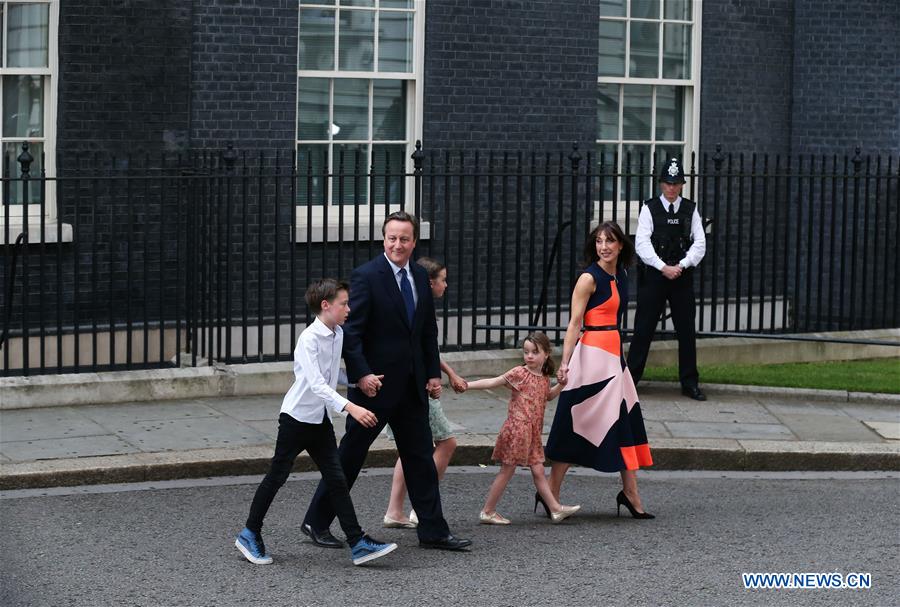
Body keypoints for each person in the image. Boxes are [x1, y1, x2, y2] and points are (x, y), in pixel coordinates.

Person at [301, 211, 472, 552]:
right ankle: (316, 521)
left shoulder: (421, 277)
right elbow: (353, 332)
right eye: (392, 238)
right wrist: (361, 374)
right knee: (350, 456)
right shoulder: (366, 277)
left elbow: (425, 330)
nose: (398, 244)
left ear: (413, 242)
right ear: (384, 240)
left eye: (404, 239)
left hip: (411, 387)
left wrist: (432, 373)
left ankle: (433, 530)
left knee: (420, 457)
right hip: (374, 386)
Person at [234, 279, 398, 566]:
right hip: (296, 420)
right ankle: (249, 533)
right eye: (343, 303)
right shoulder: (308, 340)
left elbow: (335, 374)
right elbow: (317, 384)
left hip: (319, 421)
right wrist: (351, 407)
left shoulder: (337, 333)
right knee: (277, 476)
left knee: (337, 480)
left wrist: (362, 379)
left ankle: (358, 542)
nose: (348, 308)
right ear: (326, 305)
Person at [546, 222, 655, 519]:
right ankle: (550, 492)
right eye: (599, 241)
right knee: (577, 420)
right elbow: (574, 323)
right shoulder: (588, 278)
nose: (604, 247)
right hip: (592, 356)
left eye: (610, 241)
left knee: (626, 420)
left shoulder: (621, 274)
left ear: (621, 245)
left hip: (613, 356)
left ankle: (630, 492)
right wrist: (565, 362)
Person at [461, 332, 580, 525]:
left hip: (531, 433)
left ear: (546, 354)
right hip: (517, 430)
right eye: (526, 352)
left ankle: (555, 509)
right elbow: (493, 382)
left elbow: (547, 396)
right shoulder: (519, 373)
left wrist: (560, 385)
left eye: (534, 352)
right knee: (507, 471)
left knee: (539, 471)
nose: (529, 356)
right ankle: (488, 511)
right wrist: (467, 385)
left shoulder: (543, 377)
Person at [383, 257, 465, 529]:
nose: (446, 284)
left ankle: (395, 510)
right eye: (442, 279)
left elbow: (426, 349)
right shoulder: (417, 305)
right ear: (429, 282)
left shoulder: (416, 304)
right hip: (415, 387)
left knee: (409, 449)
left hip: (413, 383)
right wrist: (445, 376)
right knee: (446, 442)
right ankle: (423, 507)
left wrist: (448, 373)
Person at [627, 157, 708, 401]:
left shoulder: (690, 209)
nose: (672, 187)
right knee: (643, 328)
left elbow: (700, 244)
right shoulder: (649, 208)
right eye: (668, 183)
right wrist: (663, 267)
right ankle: (630, 381)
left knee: (686, 330)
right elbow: (641, 243)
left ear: (682, 185)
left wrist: (680, 266)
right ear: (661, 184)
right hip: (655, 276)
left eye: (676, 183)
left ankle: (689, 382)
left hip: (681, 277)